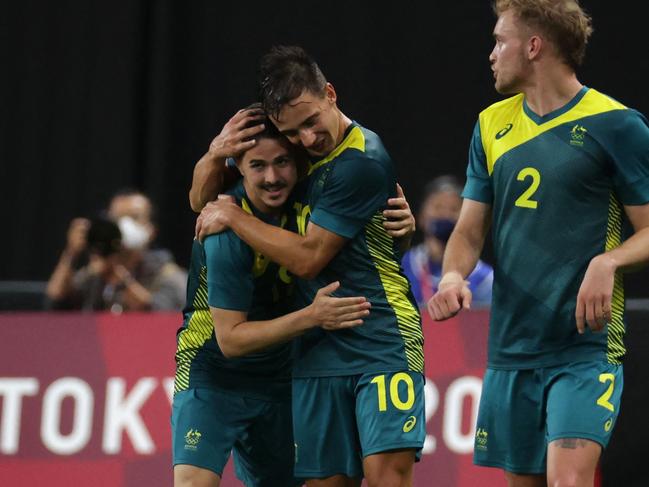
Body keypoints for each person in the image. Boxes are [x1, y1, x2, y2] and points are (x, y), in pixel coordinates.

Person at [427, 1, 649, 486]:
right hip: (511, 349)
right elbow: (468, 231)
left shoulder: (617, 124)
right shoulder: (490, 125)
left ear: (533, 47)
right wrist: (451, 275)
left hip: (583, 349)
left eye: (499, 41)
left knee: (567, 481)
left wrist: (608, 262)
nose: (491, 54)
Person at [193, 46, 425, 487]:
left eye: (311, 122)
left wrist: (235, 216)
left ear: (331, 95)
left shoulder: (361, 161)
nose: (306, 139)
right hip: (316, 352)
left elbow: (308, 258)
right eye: (292, 132)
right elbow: (198, 199)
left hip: (379, 338)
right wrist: (213, 155)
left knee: (386, 480)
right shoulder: (288, 157)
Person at [173, 112, 372, 487]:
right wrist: (312, 317)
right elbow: (231, 341)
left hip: (284, 378)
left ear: (298, 161)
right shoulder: (223, 226)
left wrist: (404, 231)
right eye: (258, 165)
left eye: (281, 162)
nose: (272, 177)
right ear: (239, 169)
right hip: (212, 373)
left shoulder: (313, 202)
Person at [46, 190, 187, 312]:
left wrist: (121, 280)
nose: (124, 225)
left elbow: (160, 315)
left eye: (134, 217)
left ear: (151, 231)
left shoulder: (168, 275)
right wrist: (71, 253)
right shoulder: (97, 272)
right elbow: (56, 302)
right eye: (117, 218)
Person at [402, 175, 493, 308]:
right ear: (420, 217)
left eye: (454, 209)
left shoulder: (484, 279)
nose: (445, 215)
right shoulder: (402, 267)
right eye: (438, 207)